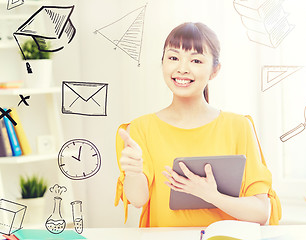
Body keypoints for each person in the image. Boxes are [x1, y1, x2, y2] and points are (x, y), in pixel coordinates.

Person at [114, 22, 281, 227]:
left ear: (214, 70)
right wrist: (133, 171)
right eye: (173, 58)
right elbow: (138, 201)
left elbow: (261, 212)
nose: (182, 69)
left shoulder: (239, 127)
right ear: (163, 63)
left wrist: (212, 195)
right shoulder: (141, 128)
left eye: (196, 60)